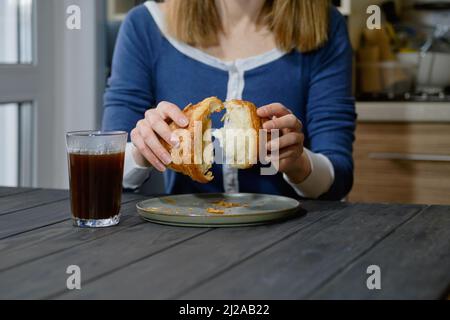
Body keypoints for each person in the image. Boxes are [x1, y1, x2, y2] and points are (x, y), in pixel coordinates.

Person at [102, 0, 356, 200]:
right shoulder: (144, 26)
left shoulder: (325, 25)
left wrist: (300, 164)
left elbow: (339, 177)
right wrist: (141, 151)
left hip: (293, 238)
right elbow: (107, 171)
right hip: (182, 238)